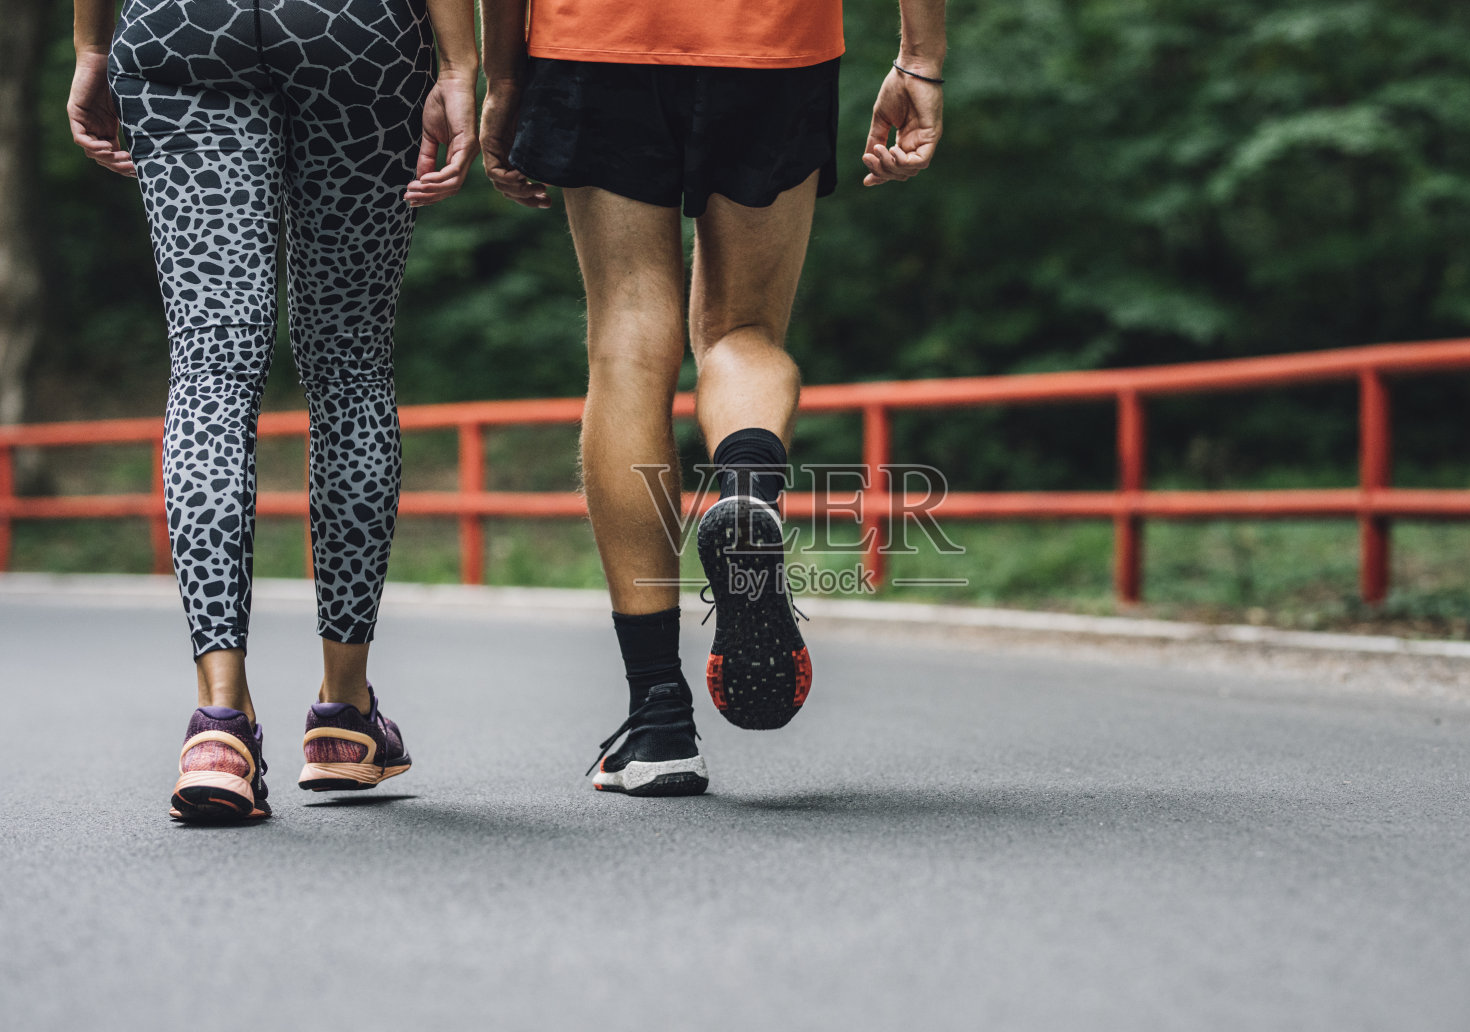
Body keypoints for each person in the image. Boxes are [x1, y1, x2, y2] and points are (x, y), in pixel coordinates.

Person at [479, 0, 946, 795]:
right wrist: (919, 57)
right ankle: (746, 494)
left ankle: (658, 718)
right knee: (744, 330)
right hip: (774, 40)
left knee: (628, 340)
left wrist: (502, 75)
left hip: (597, 36)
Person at [68, 0, 479, 819]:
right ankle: (344, 717)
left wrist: (89, 44)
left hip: (182, 24)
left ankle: (218, 725)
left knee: (211, 369)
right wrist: (463, 65)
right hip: (352, 29)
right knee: (352, 364)